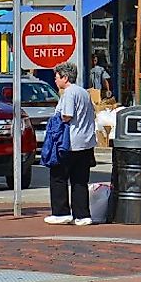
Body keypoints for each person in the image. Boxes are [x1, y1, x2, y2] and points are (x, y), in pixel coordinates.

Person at [43, 61, 99, 225]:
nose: (55, 80)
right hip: (86, 142)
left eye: (57, 77)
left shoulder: (68, 93)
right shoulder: (83, 92)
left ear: (65, 77)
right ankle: (82, 215)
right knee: (80, 180)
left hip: (69, 142)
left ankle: (61, 212)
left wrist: (56, 119)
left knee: (58, 176)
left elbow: (67, 115)